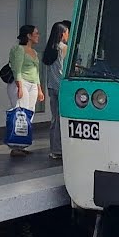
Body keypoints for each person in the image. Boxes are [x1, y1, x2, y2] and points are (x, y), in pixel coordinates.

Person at [7, 25, 43, 156]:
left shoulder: (34, 52)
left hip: (33, 84)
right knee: (19, 114)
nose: (38, 35)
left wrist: (39, 89)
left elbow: (36, 72)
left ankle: (22, 145)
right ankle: (15, 146)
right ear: (28, 35)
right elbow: (17, 69)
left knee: (29, 114)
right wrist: (20, 87)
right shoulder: (19, 49)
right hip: (21, 83)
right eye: (36, 33)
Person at [42, 21, 69, 161]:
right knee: (63, 119)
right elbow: (66, 68)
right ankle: (60, 149)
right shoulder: (63, 48)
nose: (68, 35)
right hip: (62, 87)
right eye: (67, 32)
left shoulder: (49, 49)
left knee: (54, 119)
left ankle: (54, 149)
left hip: (52, 87)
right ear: (62, 33)